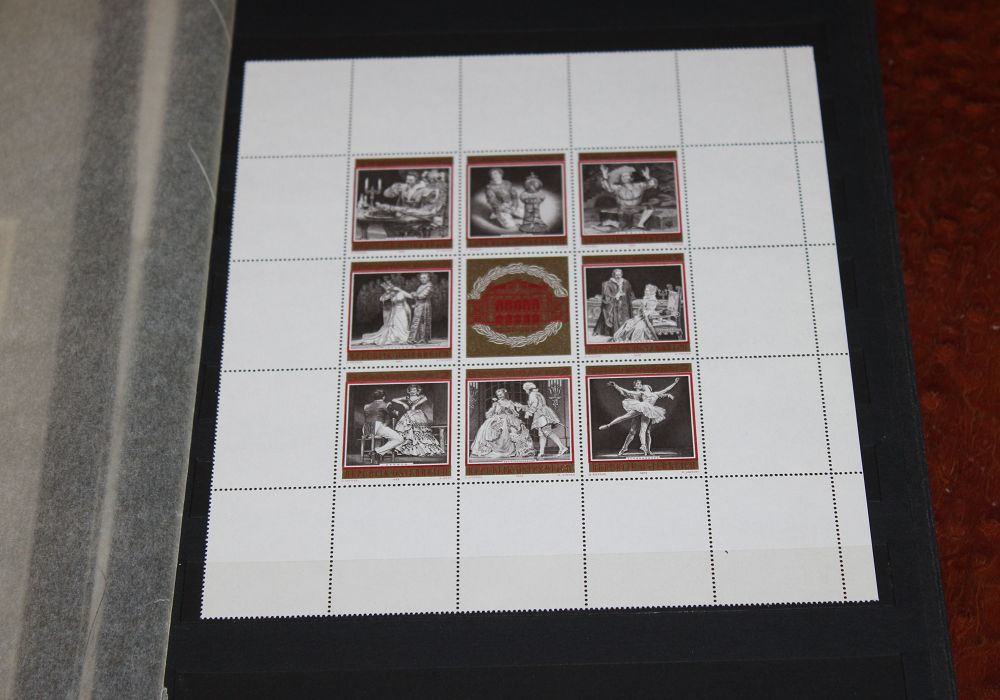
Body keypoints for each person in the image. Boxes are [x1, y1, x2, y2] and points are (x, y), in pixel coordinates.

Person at [598, 378, 680, 456]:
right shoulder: (640, 393)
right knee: (631, 430)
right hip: (640, 408)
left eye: (642, 384)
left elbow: (665, 390)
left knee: (646, 430)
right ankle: (621, 443)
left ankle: (645, 448)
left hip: (648, 411)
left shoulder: (652, 393)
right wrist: (616, 385)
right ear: (635, 386)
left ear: (649, 388)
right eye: (638, 384)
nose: (642, 385)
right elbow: (625, 391)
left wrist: (673, 385)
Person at [470, 387, 534, 459]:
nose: (499, 396)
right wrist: (495, 409)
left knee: (512, 429)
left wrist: (508, 410)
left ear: (505, 394)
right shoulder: (496, 403)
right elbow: (490, 413)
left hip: (509, 419)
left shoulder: (510, 402)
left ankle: (514, 449)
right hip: (498, 419)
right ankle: (493, 448)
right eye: (498, 395)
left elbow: (514, 413)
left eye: (501, 394)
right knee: (490, 428)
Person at [390, 385, 445, 457]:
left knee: (420, 432)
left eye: (414, 390)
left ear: (418, 391)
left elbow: (419, 403)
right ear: (409, 391)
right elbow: (393, 399)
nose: (412, 391)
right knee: (406, 430)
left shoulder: (422, 397)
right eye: (411, 390)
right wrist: (403, 403)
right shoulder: (407, 397)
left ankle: (422, 450)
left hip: (418, 415)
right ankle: (408, 451)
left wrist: (415, 405)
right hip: (408, 415)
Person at [599, 164, 658, 230]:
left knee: (649, 208)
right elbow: (609, 188)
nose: (625, 177)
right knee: (621, 226)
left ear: (631, 178)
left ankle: (640, 224)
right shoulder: (618, 187)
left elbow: (653, 184)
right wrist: (605, 176)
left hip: (636, 208)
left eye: (627, 176)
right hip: (624, 209)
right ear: (621, 179)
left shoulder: (640, 185)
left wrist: (648, 176)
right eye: (623, 176)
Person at [357, 280, 412, 347]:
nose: (392, 287)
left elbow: (410, 296)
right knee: (395, 326)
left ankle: (402, 338)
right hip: (395, 312)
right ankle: (396, 338)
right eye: (390, 286)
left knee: (404, 325)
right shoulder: (391, 294)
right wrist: (387, 292)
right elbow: (381, 299)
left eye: (392, 286)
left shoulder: (401, 292)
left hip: (402, 311)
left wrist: (399, 290)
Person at [522, 382, 568, 458]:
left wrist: (528, 413)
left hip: (541, 415)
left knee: (547, 431)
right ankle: (541, 452)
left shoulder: (532, 394)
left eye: (525, 390)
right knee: (542, 434)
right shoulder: (538, 394)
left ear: (528, 389)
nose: (525, 391)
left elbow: (535, 404)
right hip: (543, 413)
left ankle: (562, 447)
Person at [362, 389, 404, 464]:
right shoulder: (385, 405)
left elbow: (368, 417)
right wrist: (392, 408)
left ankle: (377, 455)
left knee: (380, 435)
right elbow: (395, 415)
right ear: (384, 397)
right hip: (377, 426)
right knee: (400, 439)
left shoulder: (366, 406)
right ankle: (376, 452)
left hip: (366, 429)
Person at [593, 268, 635, 337]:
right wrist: (615, 296)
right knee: (611, 317)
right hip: (614, 305)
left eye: (619, 275)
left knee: (625, 317)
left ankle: (624, 333)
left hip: (624, 304)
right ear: (613, 275)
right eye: (616, 275)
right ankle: (615, 333)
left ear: (622, 274)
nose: (618, 276)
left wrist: (629, 297)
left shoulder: (626, 282)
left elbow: (630, 292)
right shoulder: (608, 284)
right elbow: (607, 296)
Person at [407, 272, 434, 344]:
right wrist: (415, 301)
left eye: (424, 278)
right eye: (421, 278)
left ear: (428, 278)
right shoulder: (421, 286)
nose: (422, 279)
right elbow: (418, 297)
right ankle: (414, 338)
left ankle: (422, 338)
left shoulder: (429, 286)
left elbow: (422, 296)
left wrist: (414, 294)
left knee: (423, 321)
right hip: (419, 305)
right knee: (416, 321)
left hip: (425, 305)